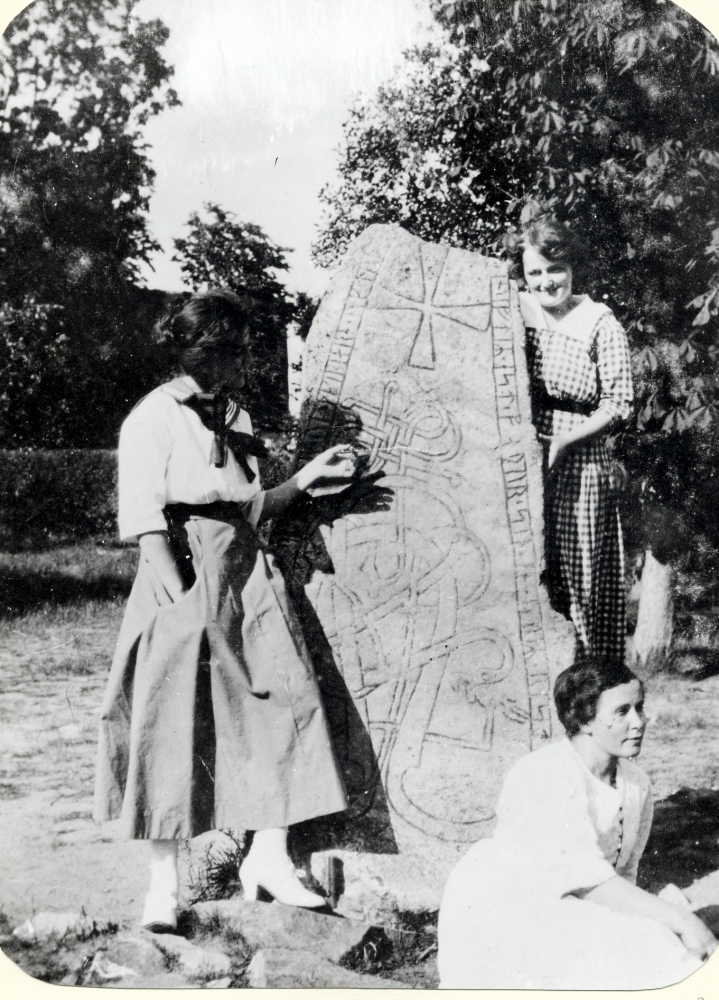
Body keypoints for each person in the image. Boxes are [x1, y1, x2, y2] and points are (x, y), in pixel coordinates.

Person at [93, 289, 362, 931]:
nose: (239, 364)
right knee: (171, 721)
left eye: (240, 352)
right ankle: (163, 888)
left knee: (282, 701)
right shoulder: (151, 418)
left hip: (245, 570)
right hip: (181, 572)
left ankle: (266, 858)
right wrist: (183, 597)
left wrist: (303, 480)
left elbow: (246, 506)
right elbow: (145, 520)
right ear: (194, 352)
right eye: (227, 352)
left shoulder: (234, 415)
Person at [437, 657, 717, 990]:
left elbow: (623, 873)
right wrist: (682, 922)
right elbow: (586, 880)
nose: (639, 722)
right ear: (585, 719)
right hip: (512, 910)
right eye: (622, 711)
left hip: (581, 901)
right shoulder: (544, 773)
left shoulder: (636, 783)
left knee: (658, 939)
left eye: (639, 708)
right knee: (656, 945)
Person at [508, 210, 633, 659]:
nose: (546, 281)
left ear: (572, 267)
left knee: (581, 576)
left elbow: (619, 403)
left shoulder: (598, 320)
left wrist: (565, 439)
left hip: (580, 461)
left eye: (555, 268)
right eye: (534, 272)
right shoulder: (512, 312)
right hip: (523, 457)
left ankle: (592, 682)